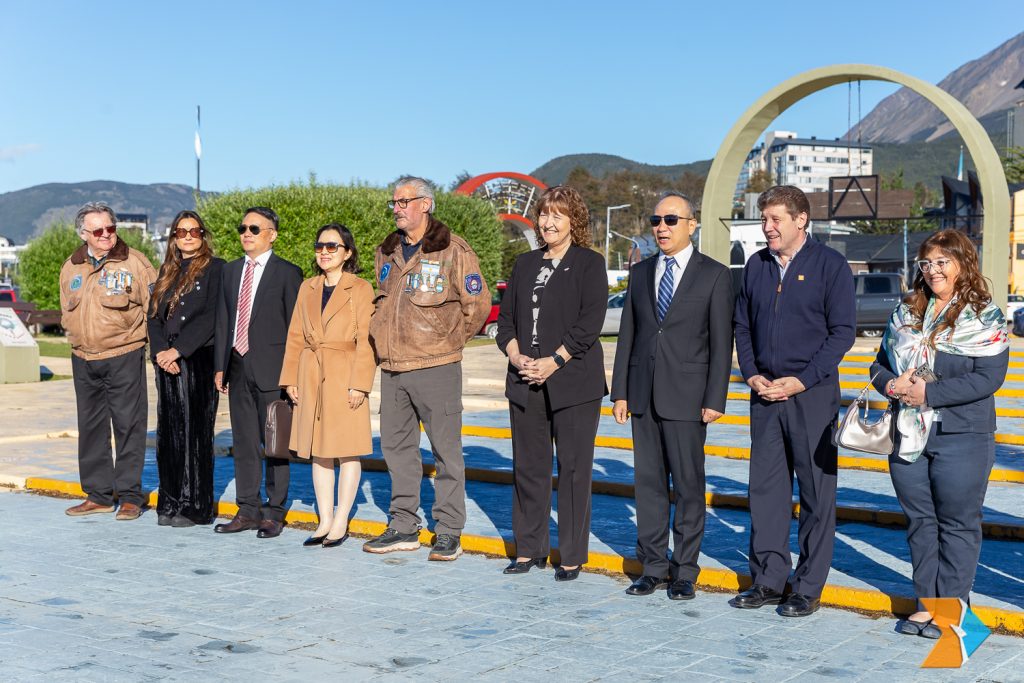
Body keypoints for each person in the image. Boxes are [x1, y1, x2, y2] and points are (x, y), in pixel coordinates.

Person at [870, 229, 1008, 638]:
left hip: (962, 435)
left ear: (963, 263)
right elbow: (879, 364)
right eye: (926, 263)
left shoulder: (985, 318)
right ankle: (926, 603)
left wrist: (929, 393)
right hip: (908, 433)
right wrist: (891, 385)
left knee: (958, 523)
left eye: (942, 262)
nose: (933, 270)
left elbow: (988, 378)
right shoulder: (906, 312)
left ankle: (952, 607)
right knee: (920, 521)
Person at [731, 185, 855, 617]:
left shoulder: (831, 265)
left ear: (801, 220)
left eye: (775, 219)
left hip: (812, 395)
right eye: (764, 219)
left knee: (817, 494)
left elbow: (842, 333)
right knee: (765, 490)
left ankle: (807, 586)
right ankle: (768, 579)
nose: (767, 227)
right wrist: (752, 374)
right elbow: (742, 326)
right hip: (764, 395)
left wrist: (801, 381)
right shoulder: (756, 265)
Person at [611, 192, 733, 599]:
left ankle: (685, 570)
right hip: (642, 395)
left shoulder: (714, 274)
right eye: (655, 220)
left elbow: (721, 343)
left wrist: (715, 397)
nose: (661, 227)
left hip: (688, 397)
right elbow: (628, 334)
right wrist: (620, 392)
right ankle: (653, 567)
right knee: (648, 486)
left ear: (691, 225)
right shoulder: (641, 272)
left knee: (688, 486)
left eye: (670, 220)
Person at [364, 177, 490, 561]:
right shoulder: (386, 251)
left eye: (405, 201)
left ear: (426, 204)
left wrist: (448, 341)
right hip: (393, 368)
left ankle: (449, 530)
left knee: (446, 452)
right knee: (397, 450)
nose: (397, 208)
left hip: (437, 366)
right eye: (394, 202)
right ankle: (403, 525)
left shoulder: (453, 249)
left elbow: (477, 305)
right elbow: (382, 303)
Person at [495, 185, 608, 582]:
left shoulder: (589, 263)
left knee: (574, 470)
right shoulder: (525, 264)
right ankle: (529, 548)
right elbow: (505, 321)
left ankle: (572, 555)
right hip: (525, 379)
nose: (549, 222)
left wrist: (554, 361)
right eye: (544, 214)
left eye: (558, 215)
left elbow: (590, 323)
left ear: (574, 221)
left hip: (574, 381)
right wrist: (516, 356)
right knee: (529, 468)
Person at [280, 224, 376, 547]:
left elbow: (367, 340)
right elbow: (295, 335)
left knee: (347, 450)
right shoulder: (307, 287)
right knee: (318, 451)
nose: (324, 252)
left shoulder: (360, 288)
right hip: (310, 374)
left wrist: (360, 384)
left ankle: (341, 520)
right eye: (320, 246)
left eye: (332, 246)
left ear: (347, 253)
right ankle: (324, 520)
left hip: (345, 374)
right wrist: (290, 378)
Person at [60, 201, 157, 520]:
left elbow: (155, 309)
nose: (106, 234)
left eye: (110, 228)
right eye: (98, 230)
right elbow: (66, 309)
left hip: (123, 355)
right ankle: (98, 495)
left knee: (129, 426)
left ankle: (130, 496)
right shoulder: (71, 266)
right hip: (83, 358)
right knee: (90, 428)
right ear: (83, 234)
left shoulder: (135, 263)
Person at [213, 206, 303, 539]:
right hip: (237, 367)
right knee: (244, 442)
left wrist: (292, 375)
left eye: (254, 228)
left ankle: (274, 511)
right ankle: (248, 510)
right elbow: (223, 320)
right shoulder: (230, 271)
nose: (246, 234)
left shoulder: (288, 273)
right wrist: (220, 366)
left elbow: (296, 330)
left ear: (272, 235)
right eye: (243, 229)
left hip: (273, 372)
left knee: (276, 443)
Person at [148, 210, 225, 527]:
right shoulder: (167, 270)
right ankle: (170, 501)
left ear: (203, 235)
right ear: (174, 238)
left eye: (195, 231)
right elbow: (154, 317)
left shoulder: (216, 269)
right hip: (166, 363)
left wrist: (178, 351)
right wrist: (160, 354)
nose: (189, 237)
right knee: (169, 433)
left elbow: (213, 316)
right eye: (182, 232)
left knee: (195, 434)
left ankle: (196, 506)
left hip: (197, 359)